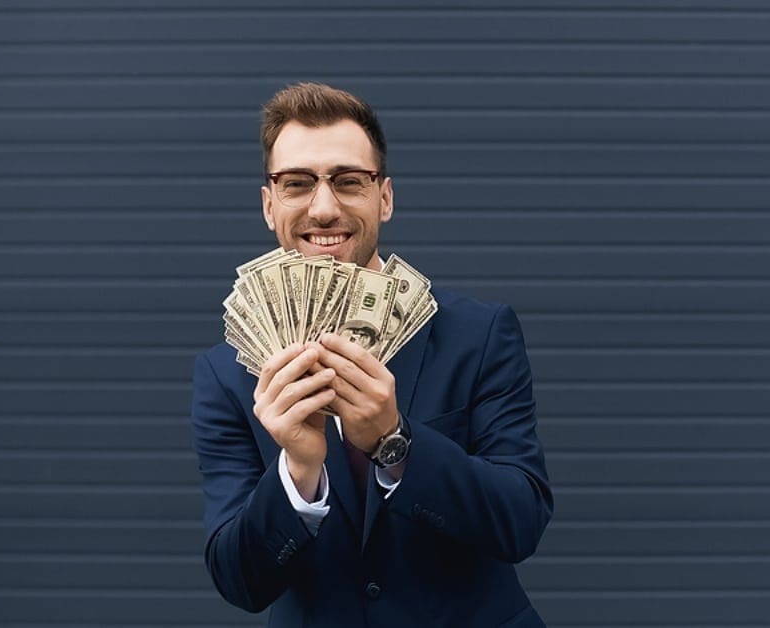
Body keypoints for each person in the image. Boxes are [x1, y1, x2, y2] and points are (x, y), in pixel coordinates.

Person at [190, 82, 553, 627]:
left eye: (348, 181)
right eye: (296, 184)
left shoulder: (478, 335)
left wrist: (395, 443)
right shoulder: (227, 374)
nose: (324, 207)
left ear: (384, 197)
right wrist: (297, 472)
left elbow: (520, 523)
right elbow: (240, 581)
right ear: (270, 206)